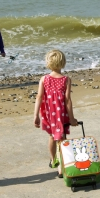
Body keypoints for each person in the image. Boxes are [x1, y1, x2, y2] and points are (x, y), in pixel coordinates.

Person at [33, 49, 78, 177]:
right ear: (63, 62)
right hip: (62, 114)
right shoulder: (66, 80)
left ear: (48, 63)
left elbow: (39, 97)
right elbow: (67, 100)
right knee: (62, 139)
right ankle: (62, 167)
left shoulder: (44, 79)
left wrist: (36, 115)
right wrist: (72, 118)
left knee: (53, 137)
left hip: (49, 114)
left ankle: (54, 160)